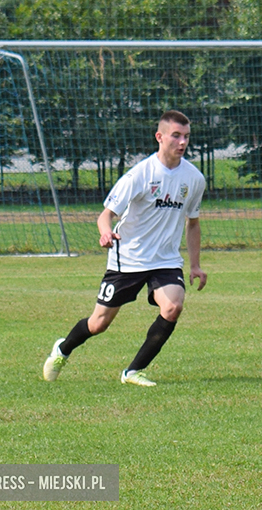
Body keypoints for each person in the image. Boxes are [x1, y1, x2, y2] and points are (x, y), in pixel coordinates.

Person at [43, 110, 208, 387]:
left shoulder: (193, 178)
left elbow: (193, 223)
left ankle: (133, 371)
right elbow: (105, 215)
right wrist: (106, 232)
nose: (182, 143)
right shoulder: (140, 175)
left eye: (186, 137)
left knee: (173, 307)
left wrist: (194, 265)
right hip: (128, 259)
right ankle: (63, 349)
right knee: (99, 324)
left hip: (165, 260)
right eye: (176, 136)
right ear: (160, 137)